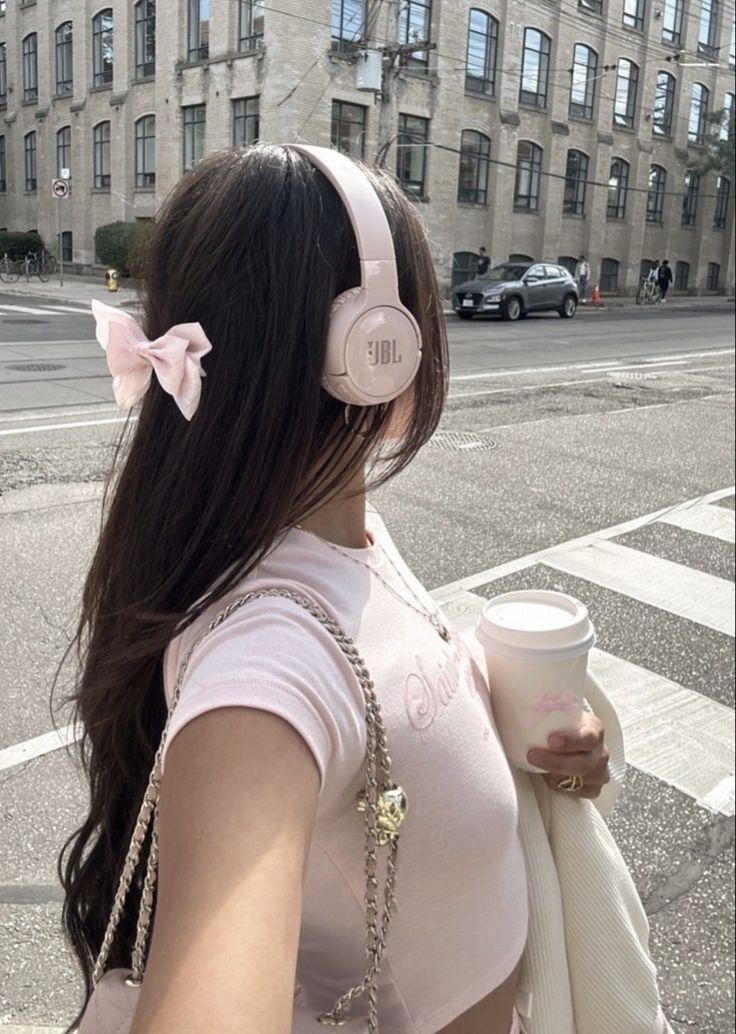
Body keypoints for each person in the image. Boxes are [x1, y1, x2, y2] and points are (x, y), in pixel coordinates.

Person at [59, 144, 610, 1034]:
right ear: (373, 348)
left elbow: (390, 721)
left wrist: (542, 757)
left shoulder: (344, 538)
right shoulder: (269, 664)